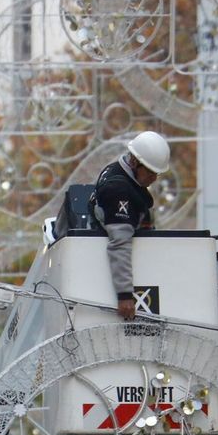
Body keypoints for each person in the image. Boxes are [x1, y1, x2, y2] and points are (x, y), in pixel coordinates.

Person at [90, 130, 169, 320]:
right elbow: (119, 244)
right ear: (134, 162)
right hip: (127, 284)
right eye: (150, 172)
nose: (154, 179)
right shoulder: (119, 191)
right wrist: (125, 295)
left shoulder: (115, 169)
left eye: (157, 173)